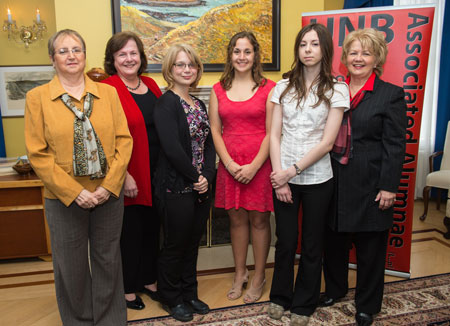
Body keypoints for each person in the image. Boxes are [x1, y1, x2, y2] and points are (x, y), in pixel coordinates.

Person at [24, 29, 132, 326]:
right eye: (63, 51)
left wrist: (109, 187)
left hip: (107, 195)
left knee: (108, 260)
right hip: (63, 200)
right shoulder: (37, 98)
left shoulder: (108, 93)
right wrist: (74, 192)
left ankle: (110, 320)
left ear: (85, 55)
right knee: (70, 266)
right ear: (52, 59)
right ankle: (80, 321)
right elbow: (38, 153)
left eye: (77, 50)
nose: (71, 55)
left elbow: (124, 140)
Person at [320, 28, 407, 326]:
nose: (359, 58)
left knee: (371, 247)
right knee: (333, 240)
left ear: (377, 58)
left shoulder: (391, 94)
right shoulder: (333, 89)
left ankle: (367, 304)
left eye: (366, 53)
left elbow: (395, 144)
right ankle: (335, 289)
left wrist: (388, 186)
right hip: (333, 178)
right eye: (353, 52)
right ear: (345, 57)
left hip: (371, 181)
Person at [268, 23, 349, 326]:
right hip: (283, 177)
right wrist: (280, 176)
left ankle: (304, 303)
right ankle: (280, 297)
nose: (308, 50)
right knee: (286, 241)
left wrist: (293, 170)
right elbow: (274, 135)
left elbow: (327, 142)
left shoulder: (337, 89)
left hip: (317, 180)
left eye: (314, 44)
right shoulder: (283, 86)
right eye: (303, 44)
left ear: (325, 49)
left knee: (312, 244)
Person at [209, 31, 275, 304]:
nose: (242, 57)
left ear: (255, 55)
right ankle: (240, 273)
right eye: (237, 51)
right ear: (230, 55)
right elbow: (215, 129)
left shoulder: (269, 87)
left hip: (259, 163)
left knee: (259, 220)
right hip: (230, 163)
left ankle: (259, 275)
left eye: (247, 51)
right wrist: (230, 163)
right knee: (236, 219)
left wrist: (254, 166)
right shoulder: (217, 88)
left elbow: (273, 132)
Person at [153, 44, 216, 322]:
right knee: (175, 245)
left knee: (193, 244)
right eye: (180, 65)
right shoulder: (166, 103)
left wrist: (207, 178)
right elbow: (172, 149)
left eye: (191, 65)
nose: (186, 70)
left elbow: (209, 143)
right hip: (177, 186)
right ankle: (171, 297)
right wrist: (196, 177)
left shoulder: (199, 104)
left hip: (200, 186)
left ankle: (189, 293)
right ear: (170, 69)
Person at [102, 31, 162, 310]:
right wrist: (124, 174)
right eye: (122, 54)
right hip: (130, 173)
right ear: (113, 60)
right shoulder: (107, 88)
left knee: (153, 229)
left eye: (133, 53)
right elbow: (104, 138)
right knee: (130, 233)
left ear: (141, 56)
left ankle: (150, 280)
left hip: (157, 172)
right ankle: (127, 288)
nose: (129, 58)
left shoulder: (151, 84)